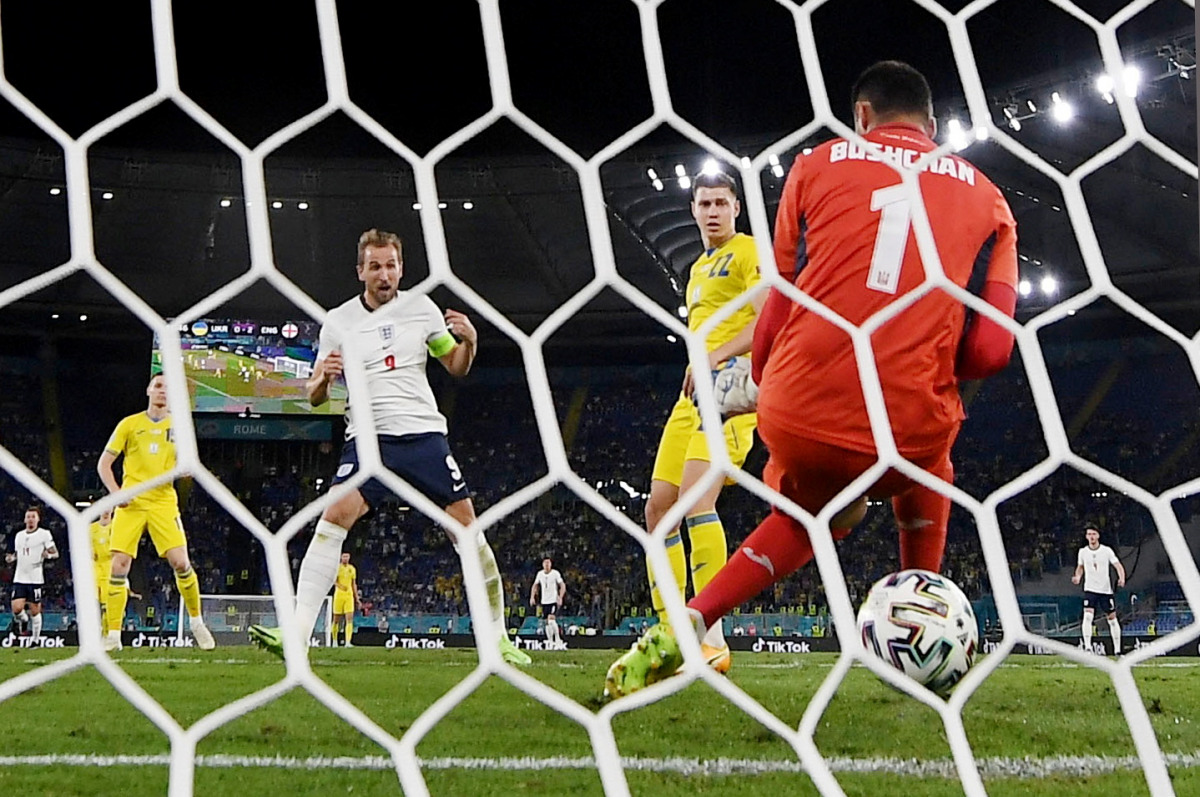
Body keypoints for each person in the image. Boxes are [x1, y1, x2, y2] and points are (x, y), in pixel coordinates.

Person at [607, 61, 1018, 697]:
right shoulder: (989, 198)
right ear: (934, 128)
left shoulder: (815, 164)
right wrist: (936, 367)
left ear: (861, 117)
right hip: (907, 420)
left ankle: (689, 622)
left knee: (815, 511)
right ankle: (918, 614)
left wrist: (766, 386)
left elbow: (776, 310)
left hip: (799, 407)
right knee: (926, 470)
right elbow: (992, 349)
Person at [250, 228, 530, 665]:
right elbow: (314, 396)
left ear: (401, 268)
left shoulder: (421, 310)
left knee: (467, 529)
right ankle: (297, 634)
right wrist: (324, 376)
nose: (385, 274)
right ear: (361, 270)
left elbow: (454, 366)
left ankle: (498, 638)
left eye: (392, 265)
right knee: (334, 516)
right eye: (376, 266)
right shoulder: (339, 322)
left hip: (421, 435)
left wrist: (470, 341)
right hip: (367, 438)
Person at [644, 170, 764, 674]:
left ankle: (710, 633)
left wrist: (713, 356)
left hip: (732, 394)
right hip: (691, 397)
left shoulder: (748, 252)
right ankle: (670, 629)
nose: (712, 211)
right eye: (704, 203)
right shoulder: (697, 269)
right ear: (692, 211)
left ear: (736, 206)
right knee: (657, 511)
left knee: (697, 502)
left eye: (721, 202)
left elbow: (766, 319)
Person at [97, 374, 215, 652]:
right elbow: (104, 464)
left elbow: (190, 466)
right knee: (118, 565)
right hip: (131, 503)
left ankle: (197, 623)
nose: (163, 391)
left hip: (163, 502)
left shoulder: (181, 427)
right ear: (149, 390)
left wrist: (187, 470)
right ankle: (113, 635)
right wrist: (116, 494)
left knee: (181, 563)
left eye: (168, 388)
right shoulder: (129, 424)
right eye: (159, 386)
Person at [6, 506, 58, 643]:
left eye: (33, 517)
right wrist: (12, 558)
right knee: (16, 609)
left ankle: (35, 640)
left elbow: (55, 553)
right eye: (28, 517)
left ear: (38, 519)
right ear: (24, 519)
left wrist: (49, 555)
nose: (30, 520)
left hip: (35, 578)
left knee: (35, 610)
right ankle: (24, 620)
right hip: (20, 577)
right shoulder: (19, 536)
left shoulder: (44, 534)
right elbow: (18, 553)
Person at [1072, 527, 1126, 655]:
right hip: (1090, 589)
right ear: (1086, 536)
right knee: (1088, 616)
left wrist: (1122, 578)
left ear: (1098, 536)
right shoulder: (1083, 552)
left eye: (1093, 534)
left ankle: (1117, 649)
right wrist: (1078, 577)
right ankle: (1088, 647)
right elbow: (1080, 567)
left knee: (1112, 619)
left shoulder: (1106, 551)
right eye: (1089, 534)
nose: (1091, 537)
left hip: (1105, 590)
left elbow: (1118, 565)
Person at [333, 552, 359, 647]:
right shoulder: (337, 568)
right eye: (344, 556)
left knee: (349, 619)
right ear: (341, 557)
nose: (345, 558)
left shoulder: (352, 569)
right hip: (339, 596)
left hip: (349, 596)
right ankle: (335, 640)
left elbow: (353, 584)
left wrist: (357, 598)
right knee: (336, 619)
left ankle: (348, 641)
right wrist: (340, 586)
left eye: (347, 556)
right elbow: (333, 581)